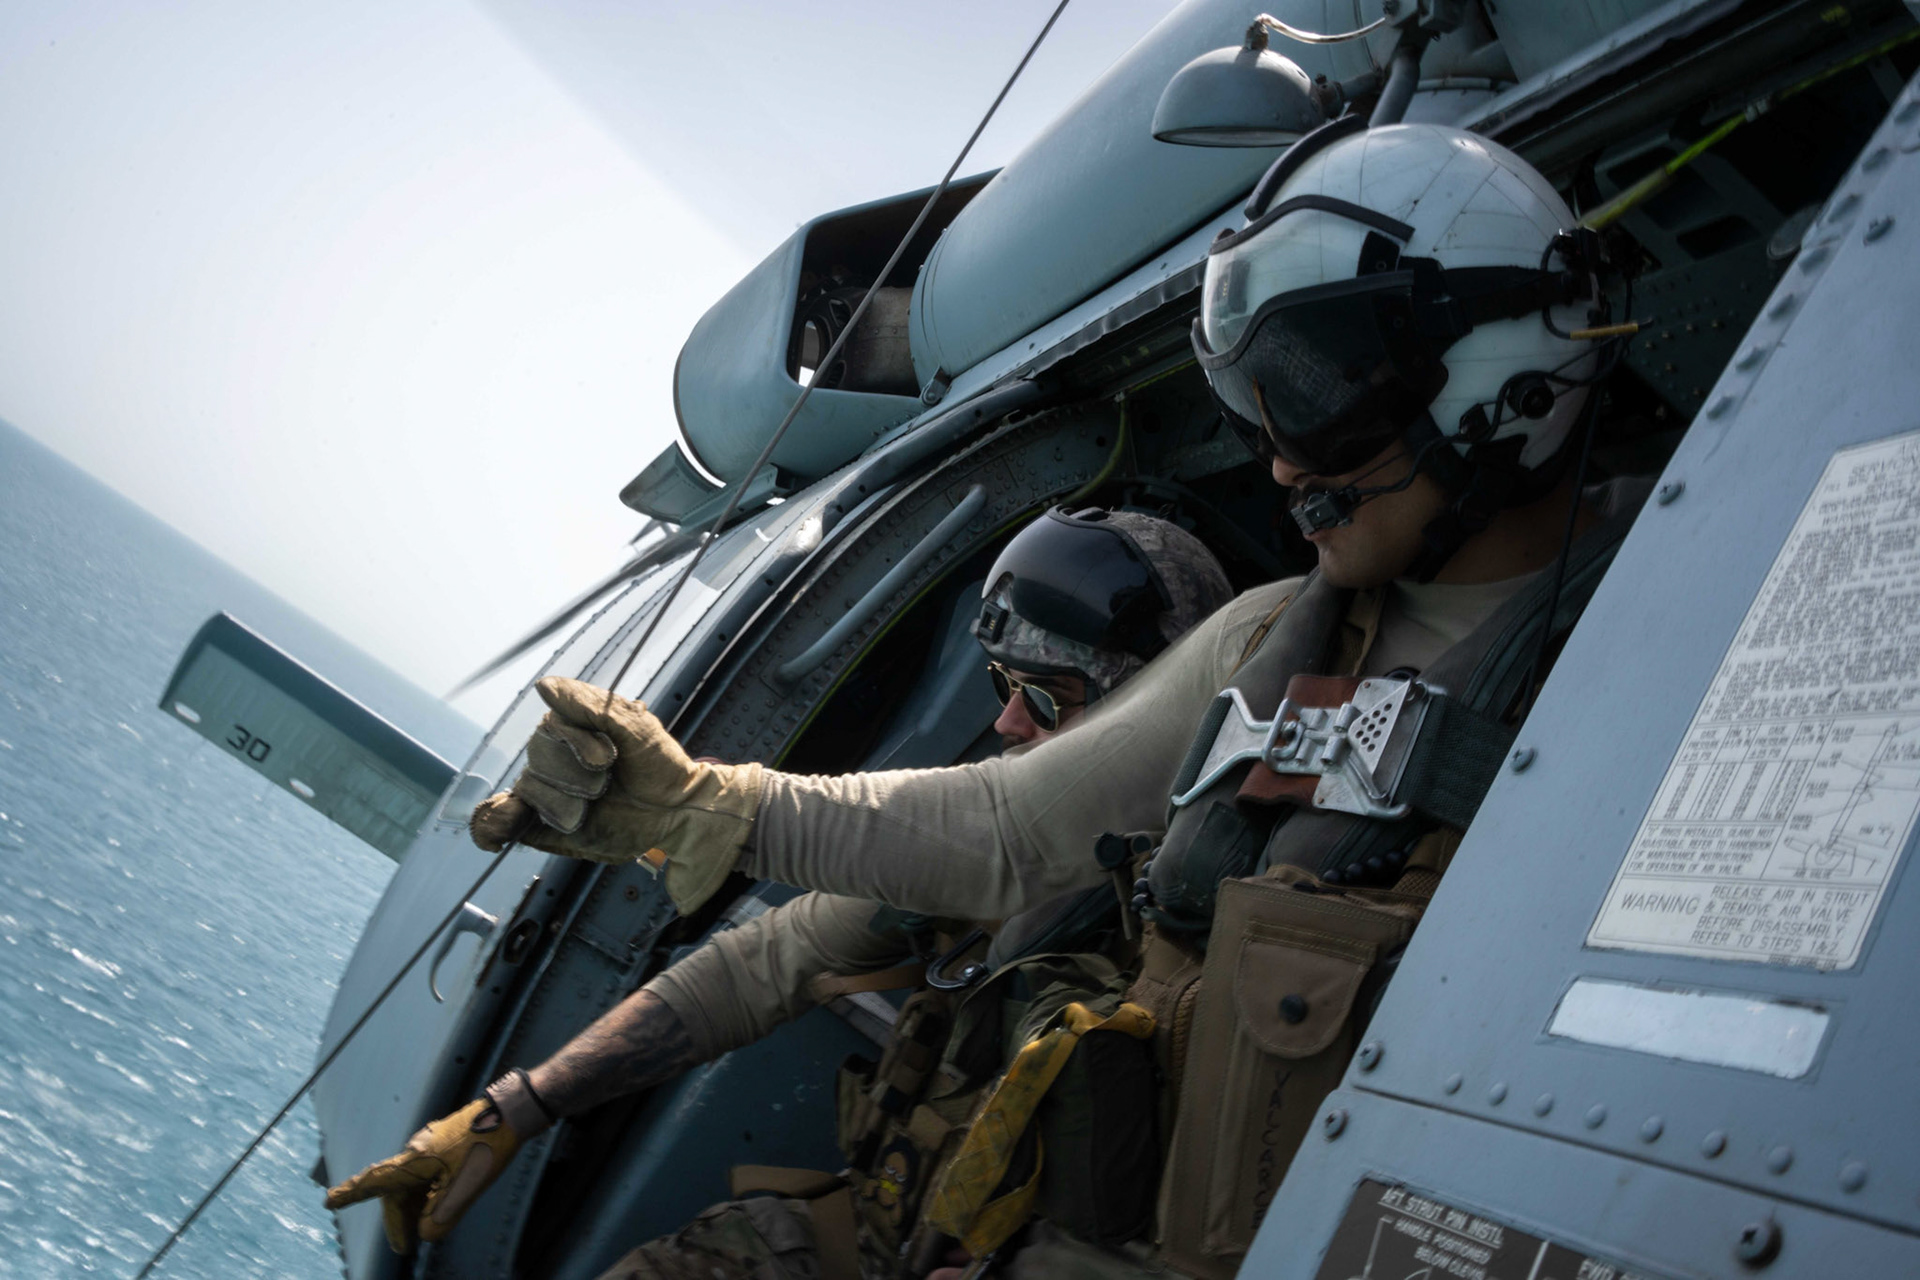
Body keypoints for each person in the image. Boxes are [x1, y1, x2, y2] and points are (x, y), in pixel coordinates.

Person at [348, 120, 1653, 1278]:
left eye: (1307, 398)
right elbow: (996, 832)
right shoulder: (1275, 643)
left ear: (1497, 385)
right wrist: (699, 810)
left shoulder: (1643, 659)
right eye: (1254, 401)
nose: (1276, 455)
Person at [325, 508, 1233, 1273]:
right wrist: (514, 1109)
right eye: (1002, 684)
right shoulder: (976, 871)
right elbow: (770, 961)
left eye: (1043, 695)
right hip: (884, 1241)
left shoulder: (1225, 917)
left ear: (1142, 709)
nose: (1004, 721)